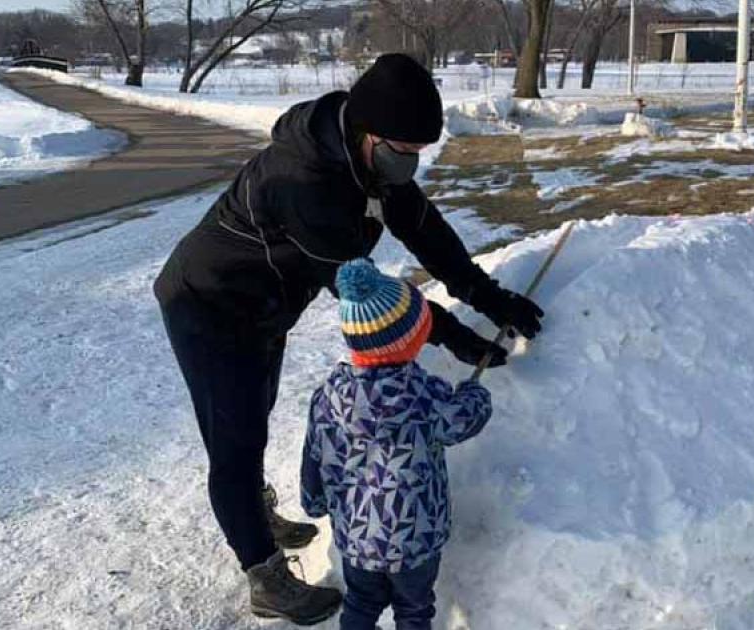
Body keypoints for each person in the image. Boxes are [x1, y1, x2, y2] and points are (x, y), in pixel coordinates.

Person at [153, 53, 542, 624]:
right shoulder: (303, 182)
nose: (408, 165)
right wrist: (455, 336)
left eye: (417, 154)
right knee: (233, 437)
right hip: (209, 303)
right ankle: (262, 570)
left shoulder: (370, 162)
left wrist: (490, 298)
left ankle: (252, 516)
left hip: (266, 304)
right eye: (401, 151)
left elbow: (429, 234)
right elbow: (367, 294)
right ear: (367, 133)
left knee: (253, 414)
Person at [301, 259, 493, 630]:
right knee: (414, 610)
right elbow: (461, 420)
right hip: (414, 542)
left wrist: (315, 500)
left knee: (360, 604)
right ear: (411, 340)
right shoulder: (423, 395)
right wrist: (475, 393)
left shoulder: (327, 397)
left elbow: (313, 454)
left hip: (357, 539)